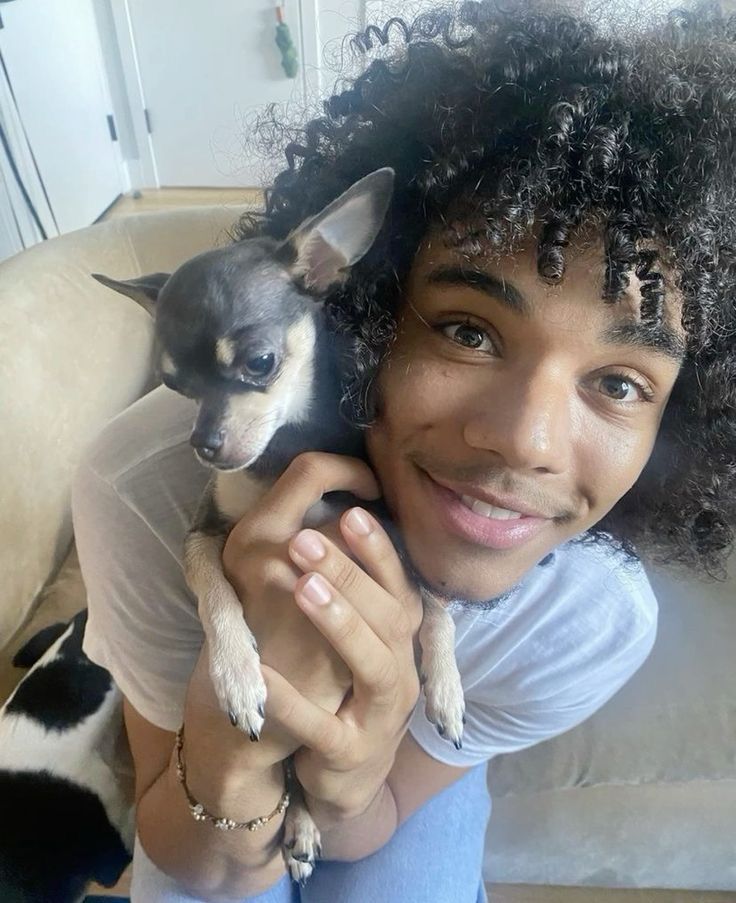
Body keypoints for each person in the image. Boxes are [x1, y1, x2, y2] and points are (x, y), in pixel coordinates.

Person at [71, 2, 736, 901]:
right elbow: (195, 857)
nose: (526, 442)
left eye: (619, 383)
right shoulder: (144, 489)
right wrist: (232, 764)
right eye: (468, 329)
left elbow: (373, 823)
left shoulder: (587, 619)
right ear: (357, 306)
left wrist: (350, 781)